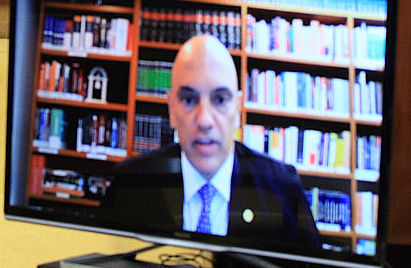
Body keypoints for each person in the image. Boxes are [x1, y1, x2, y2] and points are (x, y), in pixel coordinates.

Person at [108, 34, 320, 249]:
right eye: (189, 100)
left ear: (237, 109)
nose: (204, 121)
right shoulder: (130, 185)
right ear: (171, 110)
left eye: (219, 100)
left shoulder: (282, 190)